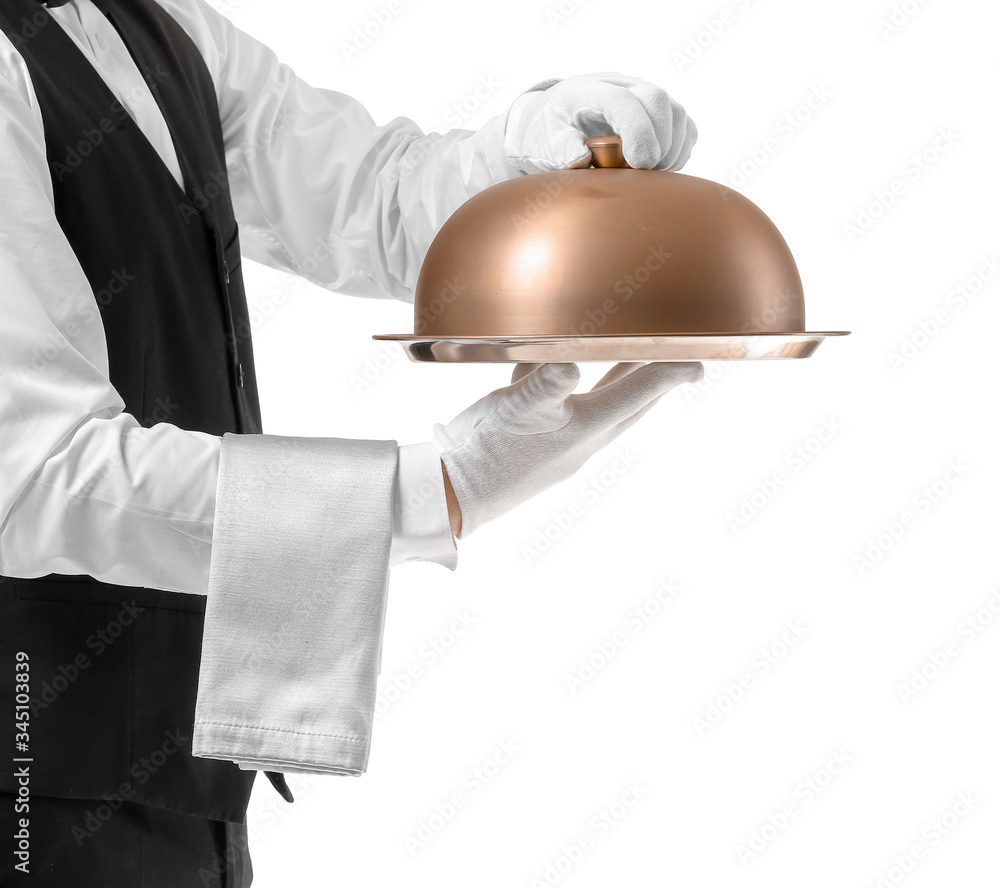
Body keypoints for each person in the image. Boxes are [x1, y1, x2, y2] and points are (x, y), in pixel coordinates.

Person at [0, 0, 702, 882]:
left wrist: (532, 159)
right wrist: (441, 487)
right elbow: (35, 475)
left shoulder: (156, 24)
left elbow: (374, 200)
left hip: (181, 770)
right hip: (30, 775)